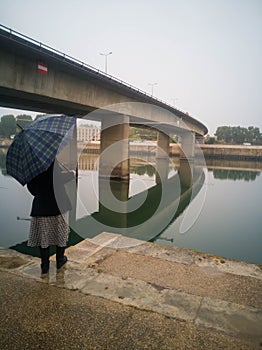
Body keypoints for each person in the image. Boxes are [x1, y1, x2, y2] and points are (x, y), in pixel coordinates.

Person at [27, 161, 75, 274]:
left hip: (41, 205)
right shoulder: (51, 161)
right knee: (61, 233)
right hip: (59, 204)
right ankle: (60, 260)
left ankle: (45, 265)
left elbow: (31, 187)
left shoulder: (32, 165)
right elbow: (57, 179)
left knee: (44, 236)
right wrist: (71, 174)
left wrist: (41, 192)